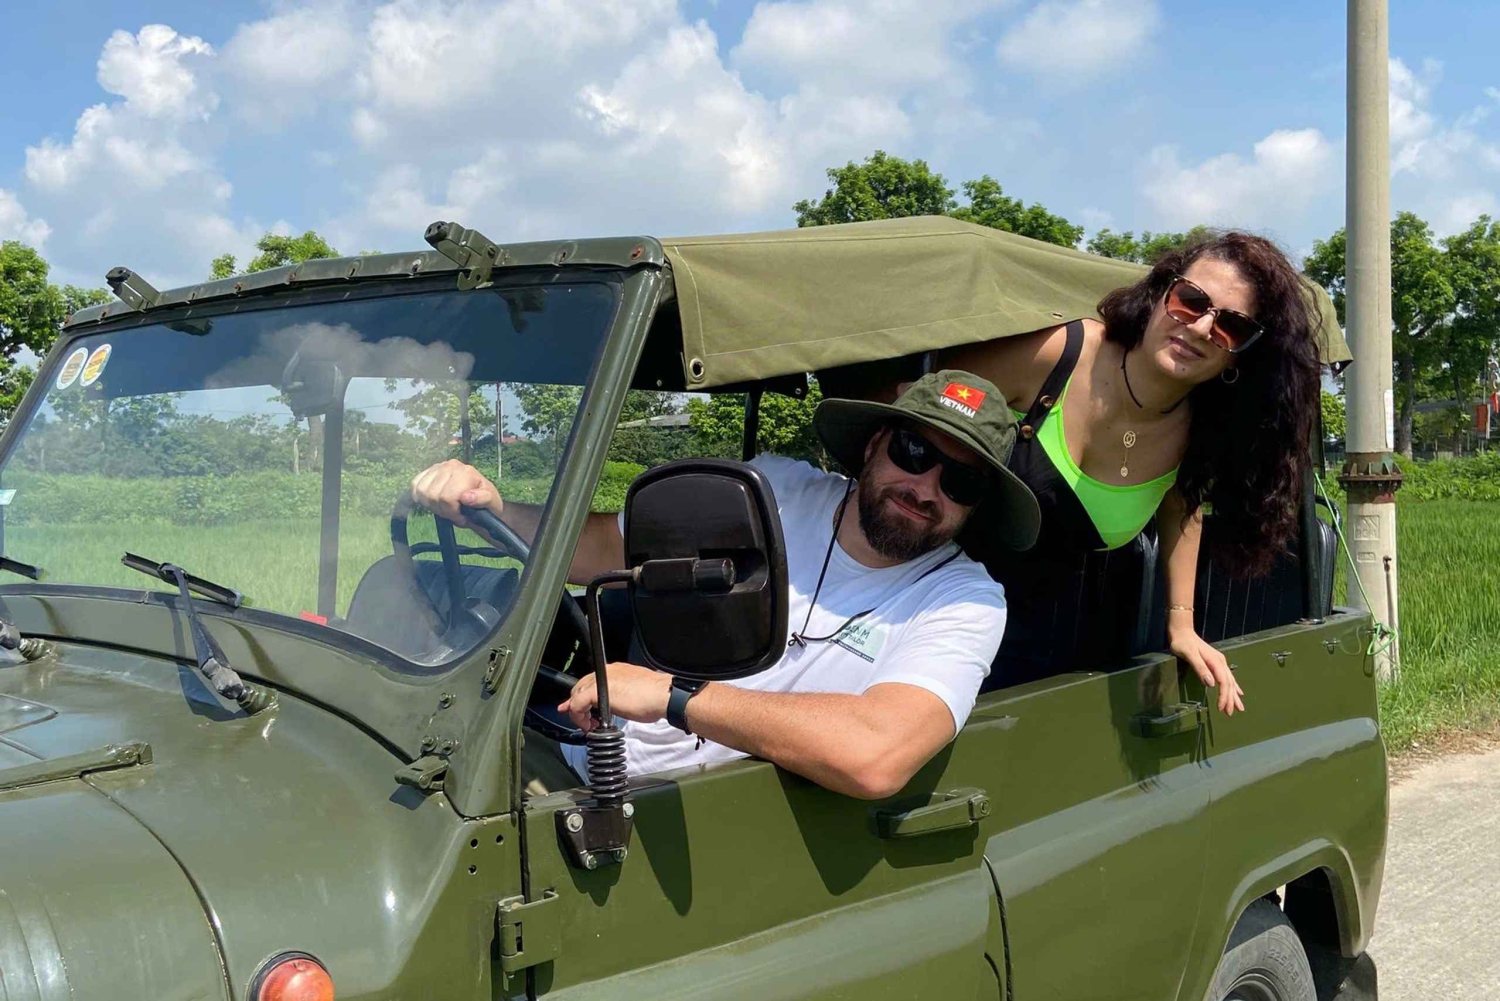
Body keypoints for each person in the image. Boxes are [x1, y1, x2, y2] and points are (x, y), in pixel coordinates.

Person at [411, 371, 1040, 800]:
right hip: (580, 762)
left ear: (977, 505)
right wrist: (492, 509)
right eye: (913, 452)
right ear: (876, 443)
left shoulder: (963, 600)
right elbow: (604, 548)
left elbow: (876, 755)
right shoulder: (773, 492)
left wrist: (672, 697)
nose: (926, 488)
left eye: (961, 482)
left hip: (689, 818)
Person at [937, 231, 1323, 713]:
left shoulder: (1200, 429)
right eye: (1191, 301)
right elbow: (921, 409)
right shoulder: (1060, 354)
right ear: (1160, 293)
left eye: (1231, 326)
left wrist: (1181, 625)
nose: (1201, 328)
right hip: (931, 608)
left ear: (1241, 355)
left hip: (1061, 646)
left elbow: (1181, 506)